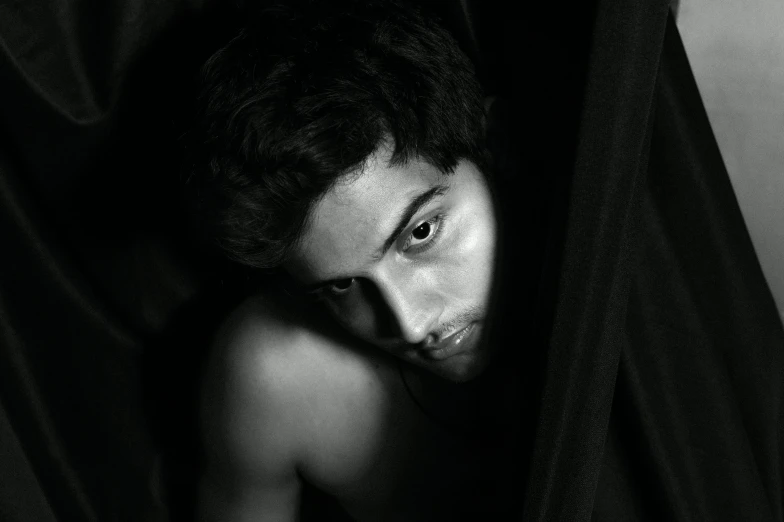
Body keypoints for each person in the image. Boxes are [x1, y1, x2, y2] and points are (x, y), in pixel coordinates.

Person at [181, 0, 524, 519]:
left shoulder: (626, 258)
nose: (409, 325)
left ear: (496, 148)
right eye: (341, 286)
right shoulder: (283, 375)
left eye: (422, 233)